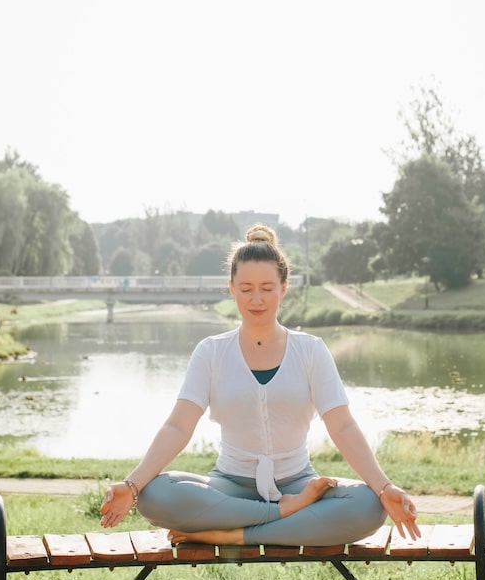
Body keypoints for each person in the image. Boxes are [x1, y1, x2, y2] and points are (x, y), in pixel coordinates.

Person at [100, 225, 420, 547]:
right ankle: (280, 515)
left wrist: (384, 487)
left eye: (267, 288)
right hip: (228, 486)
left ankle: (232, 534)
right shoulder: (211, 352)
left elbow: (344, 426)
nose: (256, 299)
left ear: (284, 287)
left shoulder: (311, 351)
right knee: (155, 496)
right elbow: (178, 426)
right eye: (246, 288)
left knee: (367, 506)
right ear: (231, 289)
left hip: (298, 482)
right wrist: (133, 485)